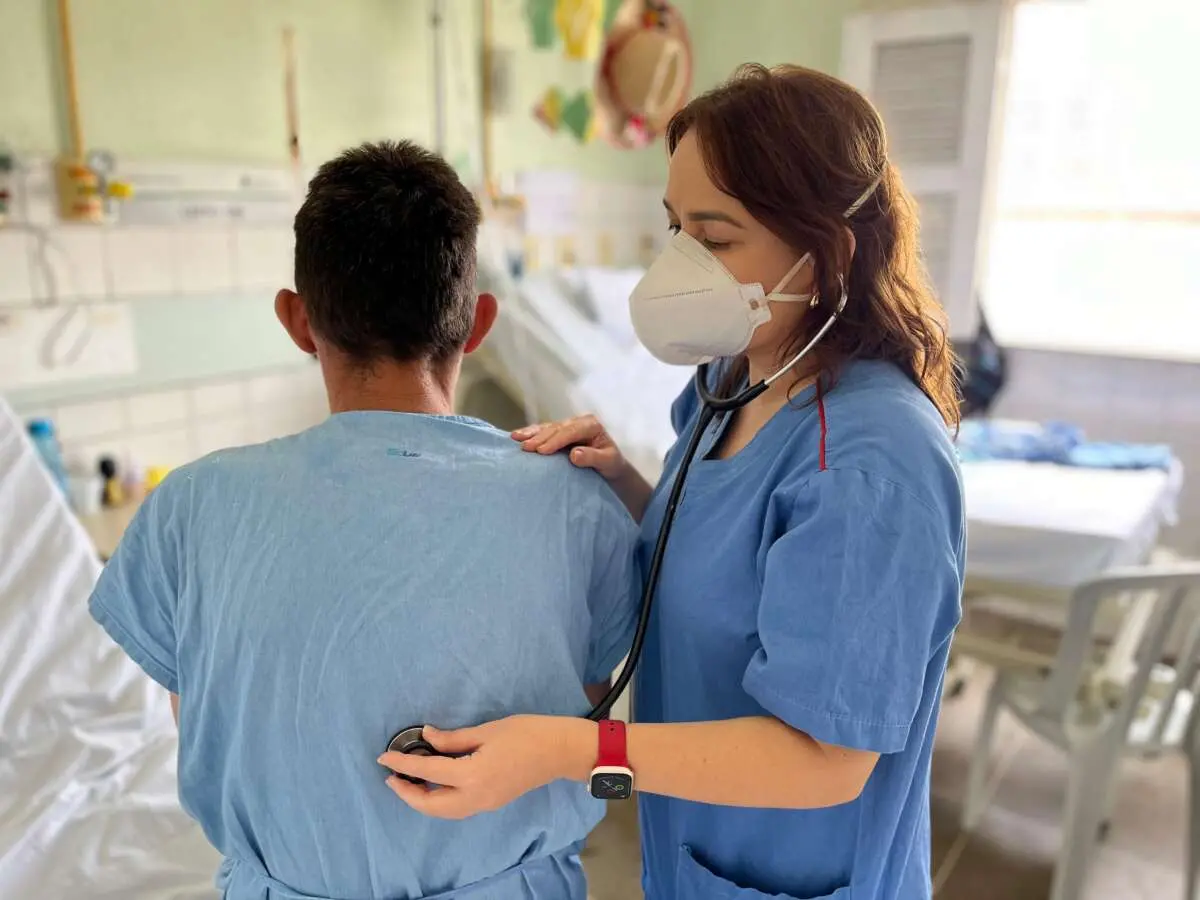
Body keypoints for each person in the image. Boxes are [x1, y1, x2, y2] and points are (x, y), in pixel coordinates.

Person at [379, 65, 966, 900]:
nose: (683, 262)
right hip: (696, 854)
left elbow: (828, 761)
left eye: (716, 238)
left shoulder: (872, 465)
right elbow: (727, 564)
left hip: (803, 874)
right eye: (675, 228)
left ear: (826, 251)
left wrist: (567, 750)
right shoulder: (736, 378)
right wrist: (622, 480)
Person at [87, 141, 639, 900]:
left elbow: (217, 729)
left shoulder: (190, 508)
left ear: (296, 319)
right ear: (478, 324)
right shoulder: (577, 502)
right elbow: (598, 744)